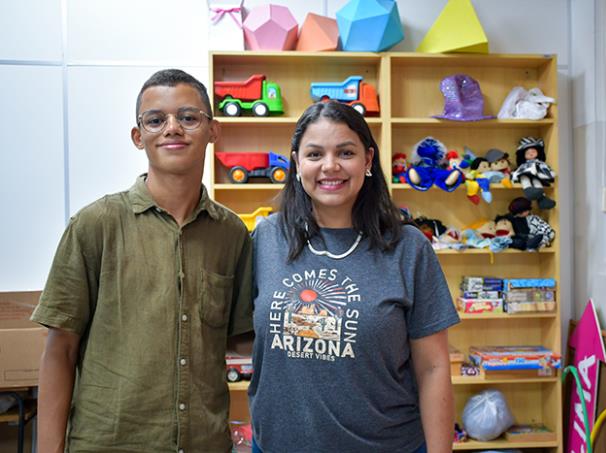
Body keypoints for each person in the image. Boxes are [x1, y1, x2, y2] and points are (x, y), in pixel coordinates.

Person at [30, 69, 253, 452]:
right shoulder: (95, 224)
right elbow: (60, 350)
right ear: (138, 136)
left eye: (188, 117)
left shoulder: (232, 234)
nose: (172, 128)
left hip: (205, 443)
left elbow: (242, 340)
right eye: (156, 120)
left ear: (213, 130)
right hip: (109, 443)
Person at [249, 101, 459, 453]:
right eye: (315, 154)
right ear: (297, 162)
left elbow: (433, 367)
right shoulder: (266, 238)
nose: (330, 166)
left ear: (368, 160)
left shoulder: (408, 248)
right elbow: (247, 334)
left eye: (345, 152)